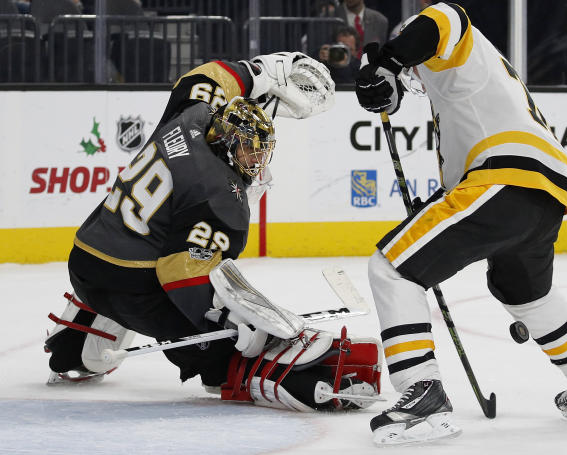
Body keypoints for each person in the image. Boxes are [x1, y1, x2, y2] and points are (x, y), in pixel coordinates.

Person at [354, 1, 567, 446]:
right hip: (543, 190)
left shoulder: (455, 44)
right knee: (527, 294)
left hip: (504, 177)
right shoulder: (475, 85)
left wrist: (388, 59)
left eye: (413, 70)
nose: (414, 80)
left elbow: (443, 15)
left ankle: (420, 393)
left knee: (393, 267)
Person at [44, 53, 383, 413]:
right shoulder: (220, 197)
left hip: (85, 259)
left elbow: (203, 77)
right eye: (249, 150)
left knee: (82, 347)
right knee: (223, 354)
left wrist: (259, 72)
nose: (256, 161)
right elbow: (181, 278)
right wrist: (236, 322)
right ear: (227, 142)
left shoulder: (191, 116)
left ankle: (73, 342)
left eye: (260, 152)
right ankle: (256, 372)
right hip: (130, 286)